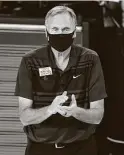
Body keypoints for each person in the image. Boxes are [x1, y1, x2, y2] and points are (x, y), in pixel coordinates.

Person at [14, 5, 107, 155]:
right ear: (46, 32)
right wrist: (51, 109)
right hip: (40, 148)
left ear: (74, 33)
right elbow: (24, 117)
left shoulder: (90, 59)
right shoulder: (30, 61)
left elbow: (97, 116)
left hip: (81, 148)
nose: (60, 34)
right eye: (55, 29)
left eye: (65, 29)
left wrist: (75, 111)